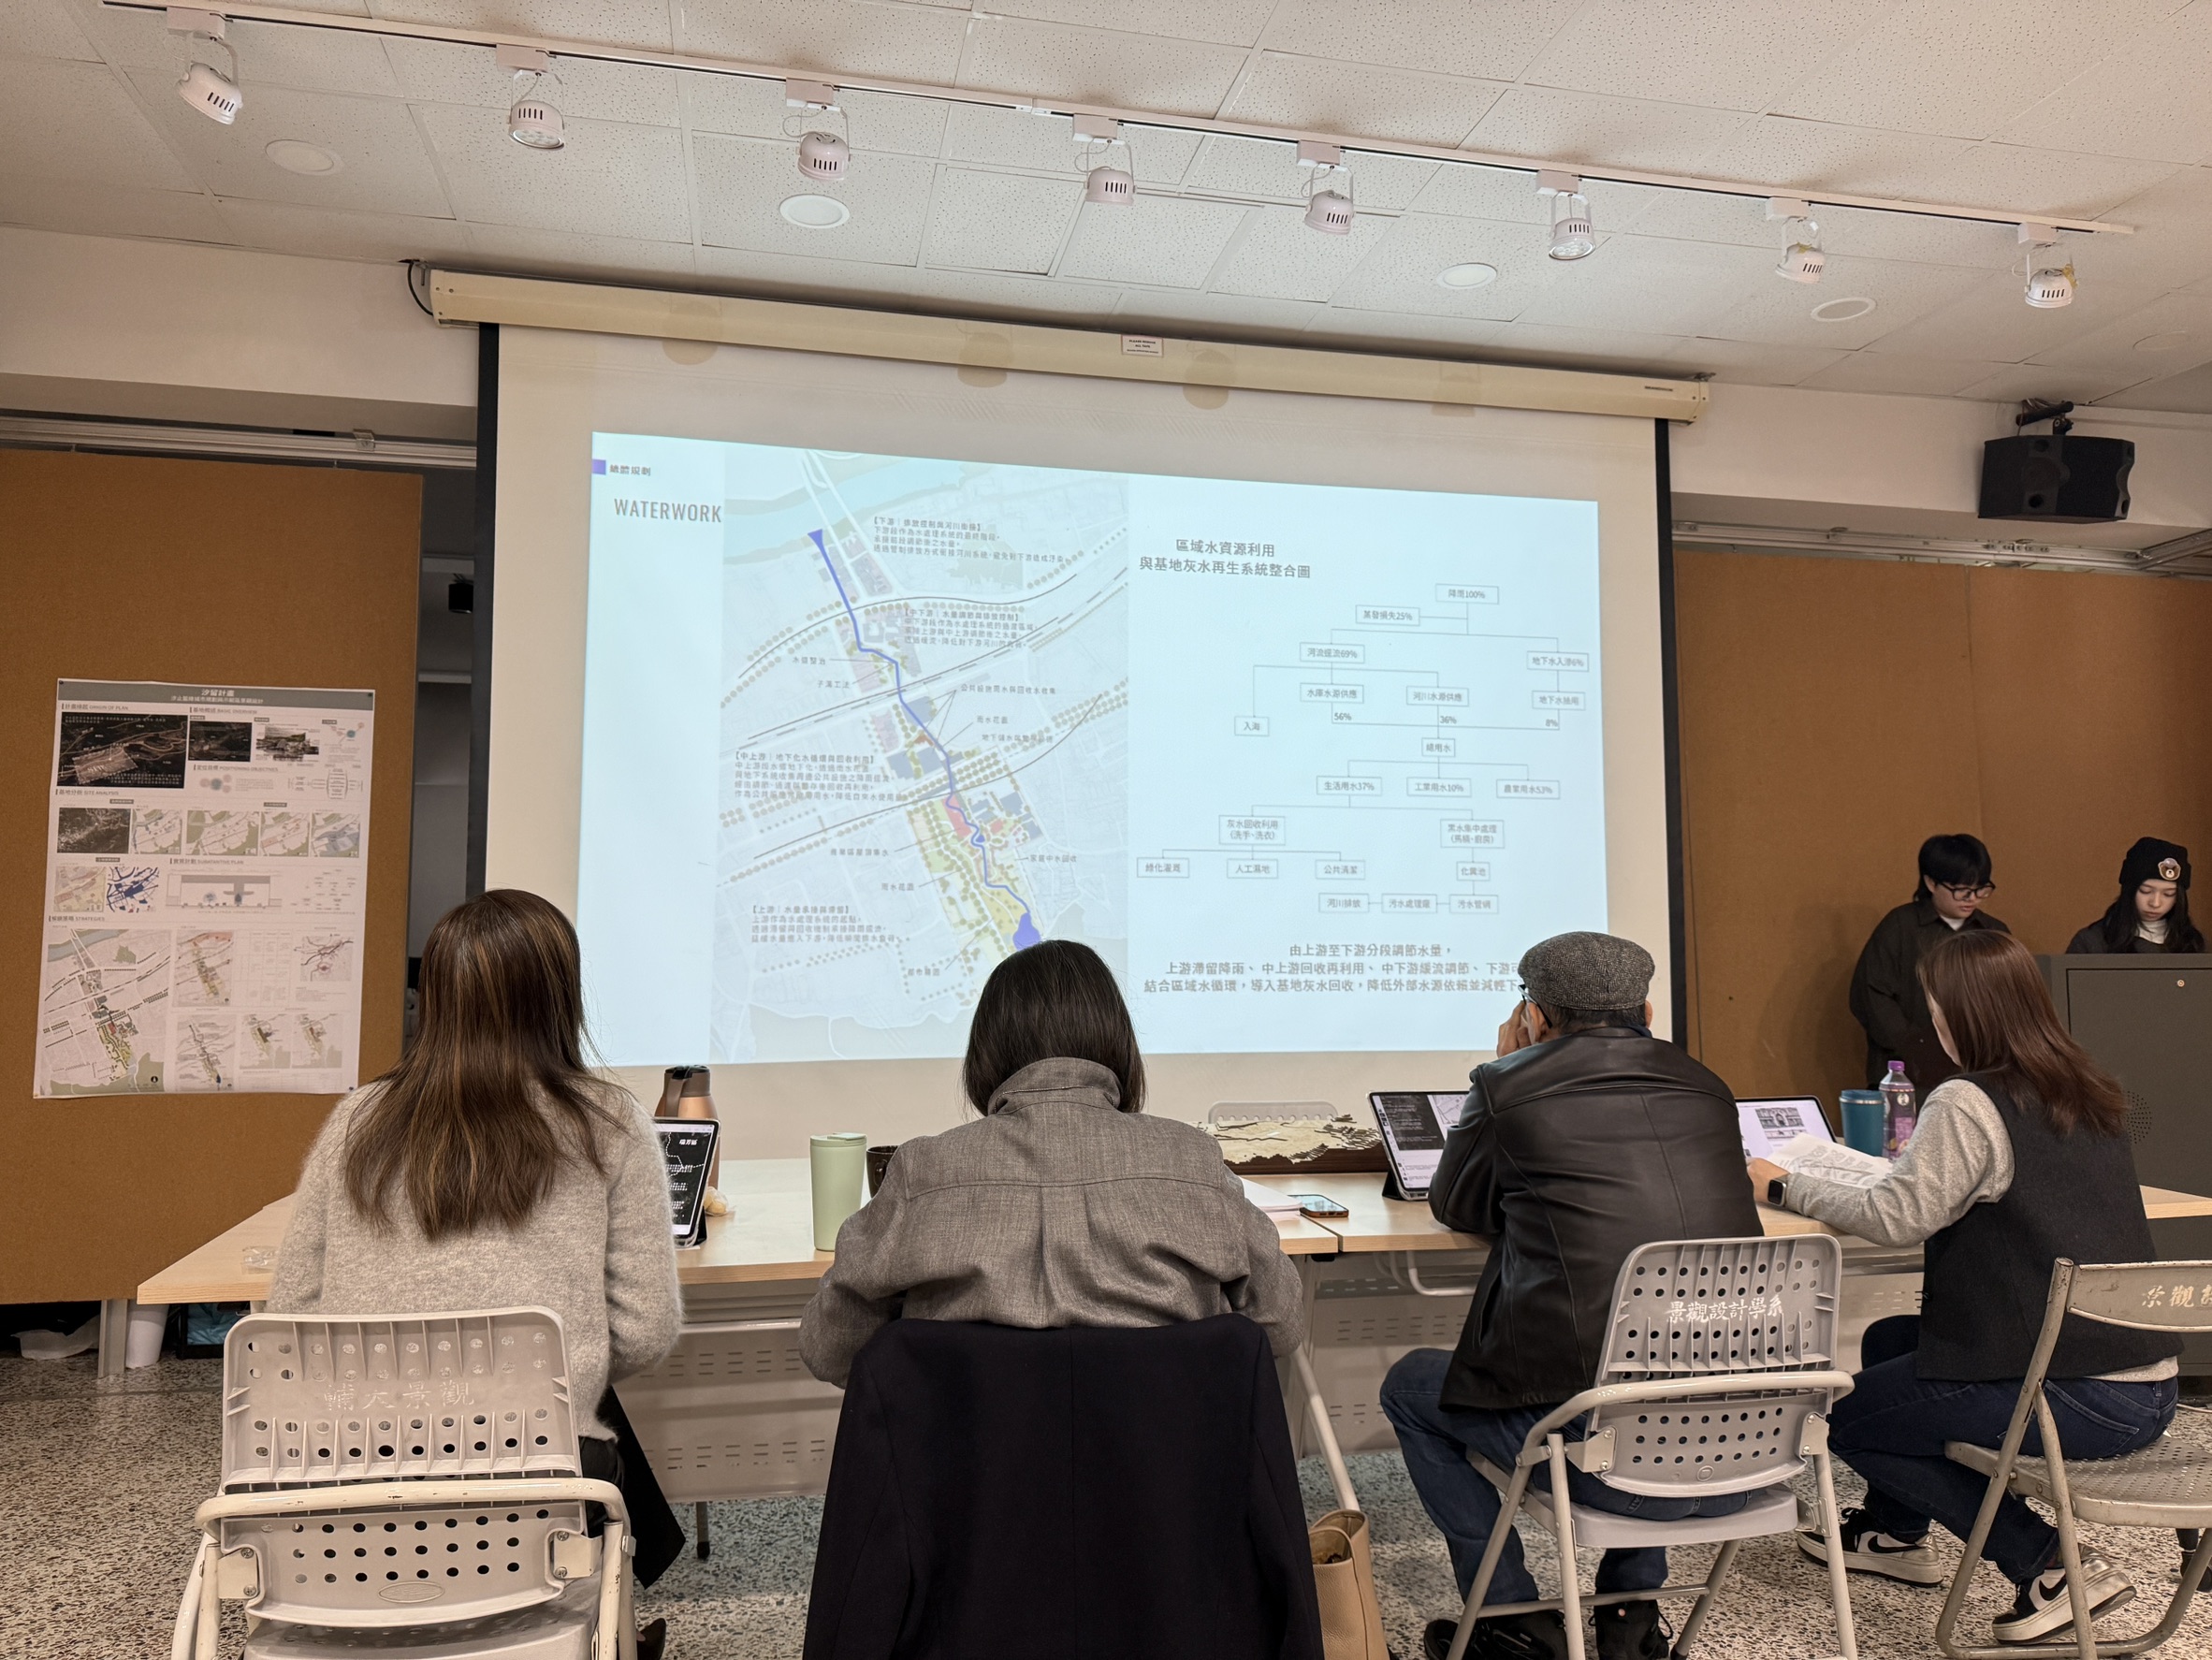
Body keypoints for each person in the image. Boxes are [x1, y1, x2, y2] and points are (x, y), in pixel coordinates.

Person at [267, 890, 683, 1651]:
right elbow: (647, 1330)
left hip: (349, 1470)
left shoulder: (358, 1119)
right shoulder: (609, 1122)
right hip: (538, 1477)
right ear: (560, 996)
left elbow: (292, 1313)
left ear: (435, 998)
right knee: (603, 1446)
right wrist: (552, 1364)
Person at [1755, 929, 2179, 1649]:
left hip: (2073, 1396)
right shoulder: (2088, 1090)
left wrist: (1784, 1186)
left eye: (1935, 1007)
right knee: (1895, 1339)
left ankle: (2052, 1569)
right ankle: (1893, 1532)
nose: (1933, 1022)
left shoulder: (1967, 1100)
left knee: (1843, 1417)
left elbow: (1898, 1217)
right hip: (2146, 1386)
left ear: (1964, 1013)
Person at [1380, 933, 1763, 1660]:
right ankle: (1629, 1616)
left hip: (1613, 1470)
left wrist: (1503, 1066)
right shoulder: (1708, 1086)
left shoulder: (1507, 1084)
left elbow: (1457, 1207)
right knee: (1662, 1362)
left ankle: (1511, 1618)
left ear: (1534, 1017)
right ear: (1648, 1012)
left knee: (1409, 1387)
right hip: (1751, 1455)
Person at [797, 938, 1304, 1386]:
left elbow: (828, 1347)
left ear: (986, 1052)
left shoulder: (922, 1170)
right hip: (1176, 1462)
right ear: (1120, 1044)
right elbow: (1280, 1323)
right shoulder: (1193, 1160)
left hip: (963, 1465)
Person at [1849, 833, 2010, 1092]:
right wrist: (1918, 1046)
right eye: (1961, 890)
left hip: (1979, 1072)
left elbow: (2010, 999)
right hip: (1906, 1073)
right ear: (1931, 882)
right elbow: (1870, 996)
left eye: (1981, 889)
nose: (1972, 898)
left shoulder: (1993, 931)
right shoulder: (1900, 926)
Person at [2067, 837, 2203, 954]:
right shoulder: (2092, 941)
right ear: (2129, 890)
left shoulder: (2193, 943)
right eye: (2146, 891)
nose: (2155, 903)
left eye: (2168, 894)